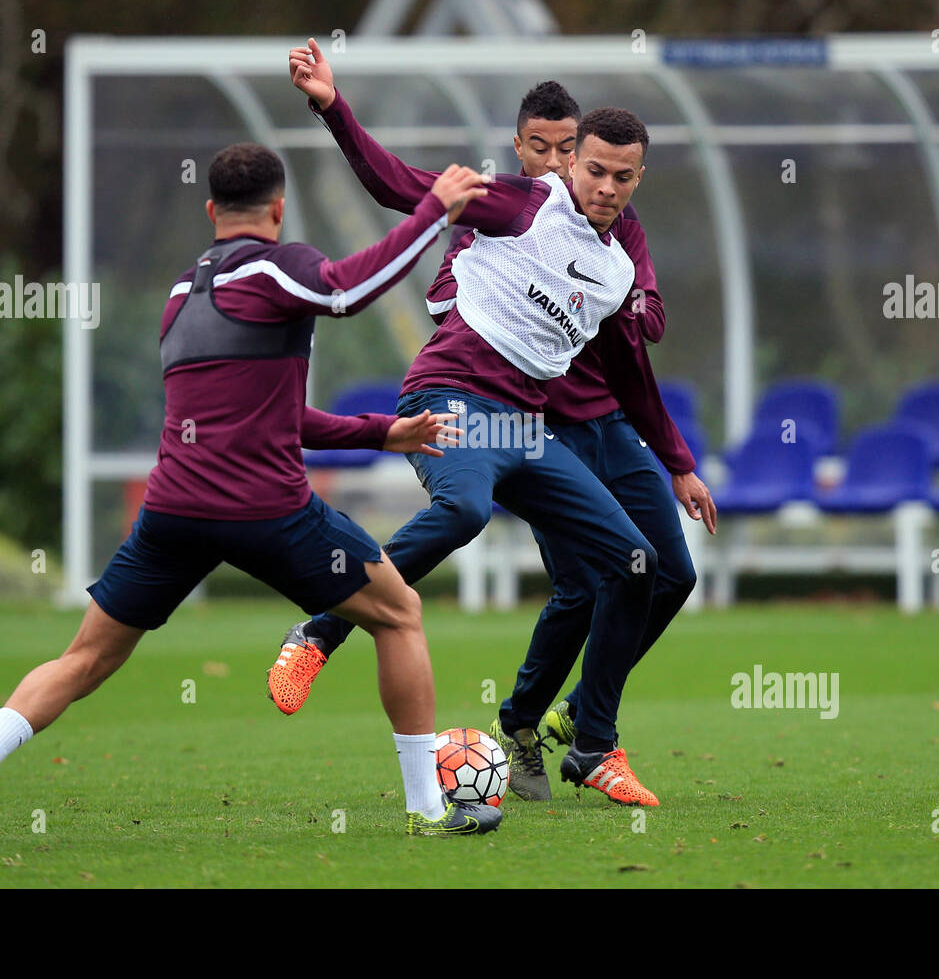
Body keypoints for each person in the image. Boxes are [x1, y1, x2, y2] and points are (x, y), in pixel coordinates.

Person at [0, 142, 502, 841]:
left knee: (84, 658)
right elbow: (346, 289)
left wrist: (381, 432)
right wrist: (435, 211)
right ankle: (428, 812)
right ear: (278, 209)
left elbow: (281, 413)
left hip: (172, 513)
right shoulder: (283, 267)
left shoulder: (182, 293)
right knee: (398, 613)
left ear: (212, 210)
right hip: (266, 511)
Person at [272, 40, 716, 807]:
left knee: (640, 566)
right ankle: (321, 629)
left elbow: (632, 378)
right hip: (448, 396)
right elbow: (395, 185)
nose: (605, 185)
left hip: (524, 427)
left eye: (622, 175)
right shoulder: (520, 202)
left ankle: (592, 745)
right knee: (467, 510)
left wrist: (678, 463)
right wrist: (331, 106)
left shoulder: (614, 271)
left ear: (637, 178)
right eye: (593, 169)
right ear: (570, 166)